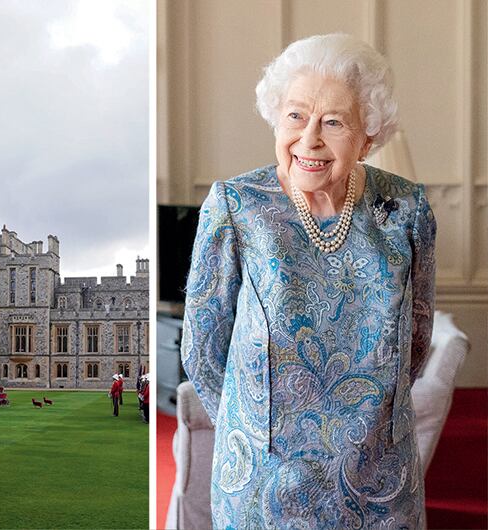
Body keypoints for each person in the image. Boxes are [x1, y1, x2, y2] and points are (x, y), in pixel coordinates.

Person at [181, 34, 435, 529]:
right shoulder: (236, 206)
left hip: (380, 477)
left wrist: (371, 427)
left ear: (368, 136)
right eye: (296, 116)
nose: (309, 139)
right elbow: (203, 349)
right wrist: (254, 429)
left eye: (334, 122)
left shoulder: (407, 208)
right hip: (263, 481)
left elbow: (417, 342)